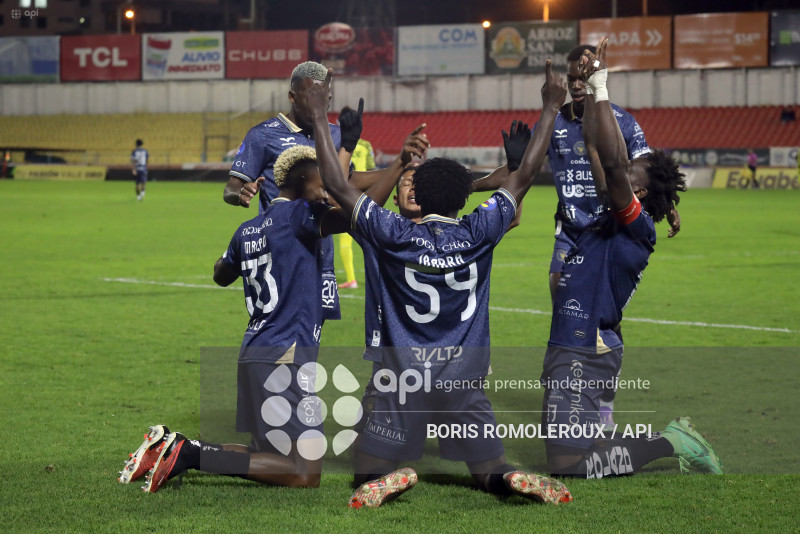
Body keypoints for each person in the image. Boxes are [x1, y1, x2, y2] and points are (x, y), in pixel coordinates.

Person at [309, 63, 574, 508]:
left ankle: (395, 475)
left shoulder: (391, 233)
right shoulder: (479, 231)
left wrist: (320, 115)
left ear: (420, 195)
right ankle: (508, 477)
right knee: (487, 468)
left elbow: (337, 183)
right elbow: (524, 179)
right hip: (463, 381)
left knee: (365, 472)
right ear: (463, 197)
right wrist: (550, 107)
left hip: (401, 379)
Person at [119, 143, 405, 493]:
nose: (329, 192)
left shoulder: (248, 229)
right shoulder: (300, 215)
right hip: (284, 356)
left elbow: (220, 273)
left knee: (268, 453)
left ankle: (168, 449)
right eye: (323, 185)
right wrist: (398, 166)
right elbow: (362, 213)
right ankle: (189, 452)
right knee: (305, 473)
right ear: (303, 182)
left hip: (253, 351)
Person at [539, 37, 721, 479]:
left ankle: (672, 441)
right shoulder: (613, 212)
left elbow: (617, 166)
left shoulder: (634, 223)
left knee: (566, 465)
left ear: (637, 193)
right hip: (577, 339)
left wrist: (600, 85)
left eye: (635, 172)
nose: (630, 166)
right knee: (575, 450)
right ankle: (607, 428)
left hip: (587, 344)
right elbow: (605, 158)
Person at [540, 44, 681, 429]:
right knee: (565, 301)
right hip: (572, 227)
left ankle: (600, 396)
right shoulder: (556, 123)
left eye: (581, 77)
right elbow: (526, 164)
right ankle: (571, 389)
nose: (575, 84)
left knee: (601, 317)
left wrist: (666, 203)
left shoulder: (622, 124)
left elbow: (638, 171)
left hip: (610, 227)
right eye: (571, 79)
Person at [337, 107, 377, 289]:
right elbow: (371, 168)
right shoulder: (367, 145)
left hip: (345, 192)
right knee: (370, 236)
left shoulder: (339, 144)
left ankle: (352, 279)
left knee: (345, 238)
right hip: (365, 192)